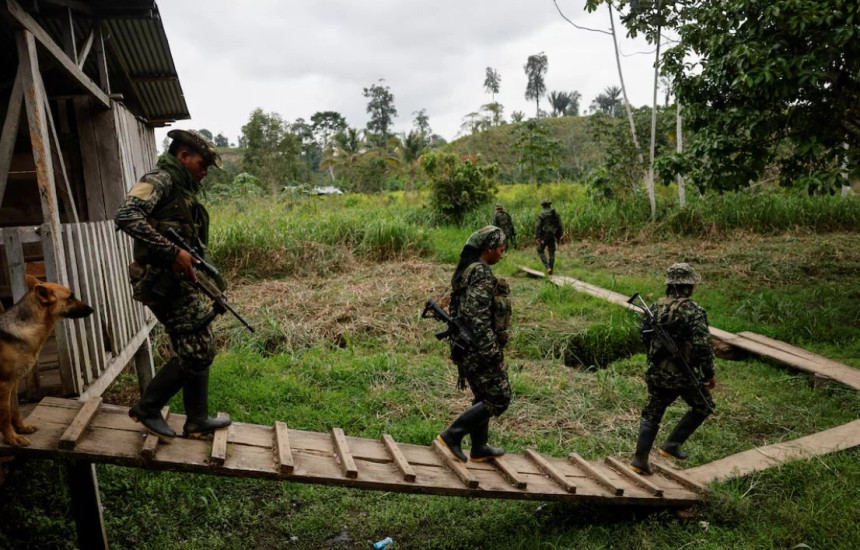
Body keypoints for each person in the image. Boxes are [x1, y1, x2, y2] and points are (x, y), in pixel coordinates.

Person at [115, 129, 232, 440]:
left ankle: (197, 418)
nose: (205, 172)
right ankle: (148, 407)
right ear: (183, 155)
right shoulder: (160, 179)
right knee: (198, 349)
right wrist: (171, 251)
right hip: (159, 280)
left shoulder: (182, 187)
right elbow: (126, 215)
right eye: (202, 164)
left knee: (199, 343)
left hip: (179, 279)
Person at [629, 263, 716, 475]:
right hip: (682, 375)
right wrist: (709, 373)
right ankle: (671, 445)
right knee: (704, 406)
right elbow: (703, 346)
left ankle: (639, 459)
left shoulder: (654, 307)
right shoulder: (694, 311)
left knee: (653, 412)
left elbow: (645, 338)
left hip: (656, 372)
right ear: (689, 286)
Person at [437, 226, 512, 463]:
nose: (503, 254)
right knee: (499, 397)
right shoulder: (480, 272)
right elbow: (477, 317)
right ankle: (452, 435)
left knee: (483, 394)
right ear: (488, 249)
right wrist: (492, 352)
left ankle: (479, 447)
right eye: (501, 249)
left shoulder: (469, 269)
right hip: (477, 346)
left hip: (466, 345)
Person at [534, 198, 563, 275]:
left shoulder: (542, 214)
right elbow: (560, 225)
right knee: (552, 253)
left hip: (544, 236)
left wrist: (537, 237)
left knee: (540, 250)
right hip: (552, 235)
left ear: (543, 206)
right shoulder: (555, 213)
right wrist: (559, 236)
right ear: (549, 205)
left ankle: (547, 267)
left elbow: (537, 226)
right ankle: (551, 270)